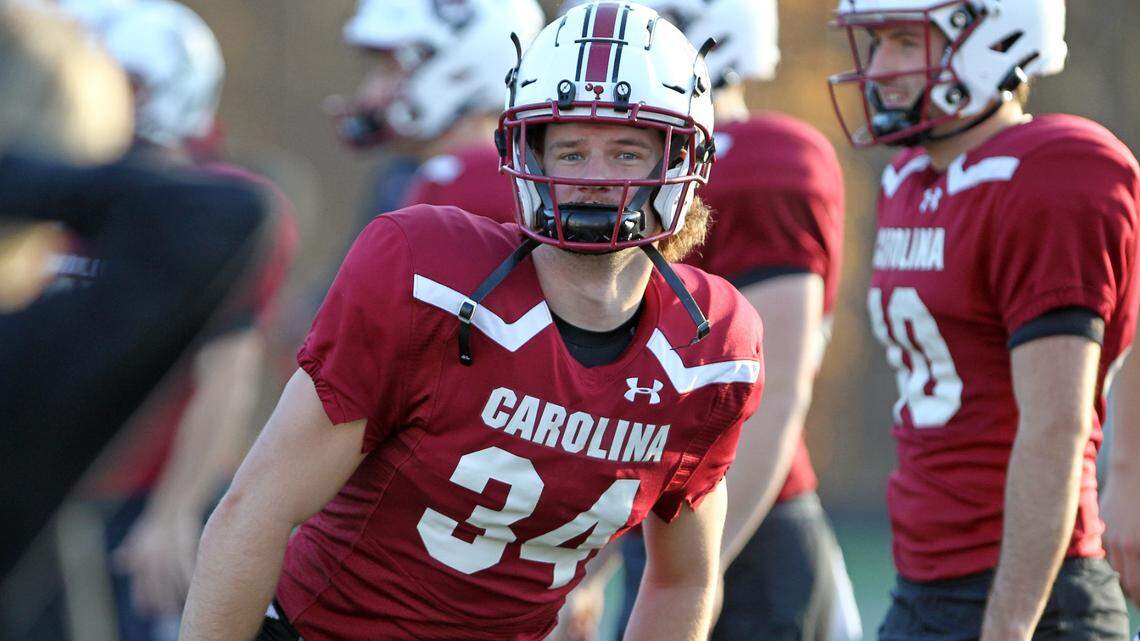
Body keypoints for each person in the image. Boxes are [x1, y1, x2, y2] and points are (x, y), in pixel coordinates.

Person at [179, 3, 764, 640]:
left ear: (683, 161)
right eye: (569, 152)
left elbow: (683, 579)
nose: (595, 178)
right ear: (525, 153)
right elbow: (256, 508)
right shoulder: (428, 276)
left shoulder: (710, 346)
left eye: (626, 153)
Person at [828, 0, 1140, 639]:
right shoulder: (911, 178)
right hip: (921, 582)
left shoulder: (1055, 169)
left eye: (903, 42)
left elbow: (1056, 424)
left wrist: (1008, 625)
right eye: (877, 41)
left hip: (1030, 594)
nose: (880, 67)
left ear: (992, 36)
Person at [568, 1, 862, 639]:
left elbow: (776, 393)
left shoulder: (764, 159)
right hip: (660, 526)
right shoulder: (620, 167)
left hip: (745, 535)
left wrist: (694, 575)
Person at [51, 2, 298, 640]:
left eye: (116, 82)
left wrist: (173, 512)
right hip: (49, 483)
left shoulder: (207, 208)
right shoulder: (65, 187)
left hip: (134, 498)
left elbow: (228, 372)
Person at [0, 2, 268, 587]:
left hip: (115, 488)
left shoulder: (137, 208)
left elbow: (229, 366)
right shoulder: (119, 207)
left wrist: (172, 510)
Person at [334, 0, 543, 223]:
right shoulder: (407, 176)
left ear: (454, 69)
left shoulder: (460, 186)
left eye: (388, 69)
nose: (369, 93)